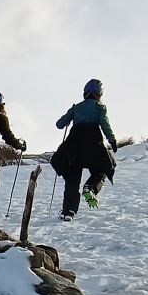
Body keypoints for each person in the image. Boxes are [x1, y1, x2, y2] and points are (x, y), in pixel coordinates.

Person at [51, 79, 117, 221]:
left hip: (74, 144)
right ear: (99, 94)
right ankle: (90, 187)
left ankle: (68, 211)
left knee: (72, 178)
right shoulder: (100, 108)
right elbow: (105, 125)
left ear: (84, 93)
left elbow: (59, 124)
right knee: (102, 169)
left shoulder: (76, 108)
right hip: (93, 144)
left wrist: (68, 119)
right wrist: (112, 140)